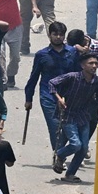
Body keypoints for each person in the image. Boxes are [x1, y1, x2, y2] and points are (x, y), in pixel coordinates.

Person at [49, 52, 98, 182]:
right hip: (68, 114)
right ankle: (59, 155)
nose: (94, 66)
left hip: (83, 116)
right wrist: (59, 99)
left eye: (96, 64)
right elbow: (52, 83)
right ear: (82, 65)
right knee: (76, 144)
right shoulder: (72, 77)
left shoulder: (97, 82)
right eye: (91, 63)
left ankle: (70, 174)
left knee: (84, 148)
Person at [25, 22, 78, 152]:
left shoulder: (73, 52)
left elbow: (79, 74)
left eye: (61, 34)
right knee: (54, 127)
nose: (58, 37)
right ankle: (58, 155)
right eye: (55, 34)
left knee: (69, 127)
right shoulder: (41, 55)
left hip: (69, 96)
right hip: (48, 96)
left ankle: (63, 150)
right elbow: (34, 77)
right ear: (49, 35)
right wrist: (28, 99)